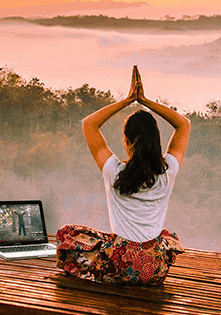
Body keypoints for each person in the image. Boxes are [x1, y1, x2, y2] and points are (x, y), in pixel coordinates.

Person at [56, 66, 190, 286]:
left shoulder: (114, 171)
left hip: (118, 265)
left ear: (126, 142)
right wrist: (145, 101)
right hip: (153, 269)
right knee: (163, 236)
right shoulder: (168, 171)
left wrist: (128, 100)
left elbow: (89, 124)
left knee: (67, 235)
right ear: (156, 142)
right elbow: (183, 124)